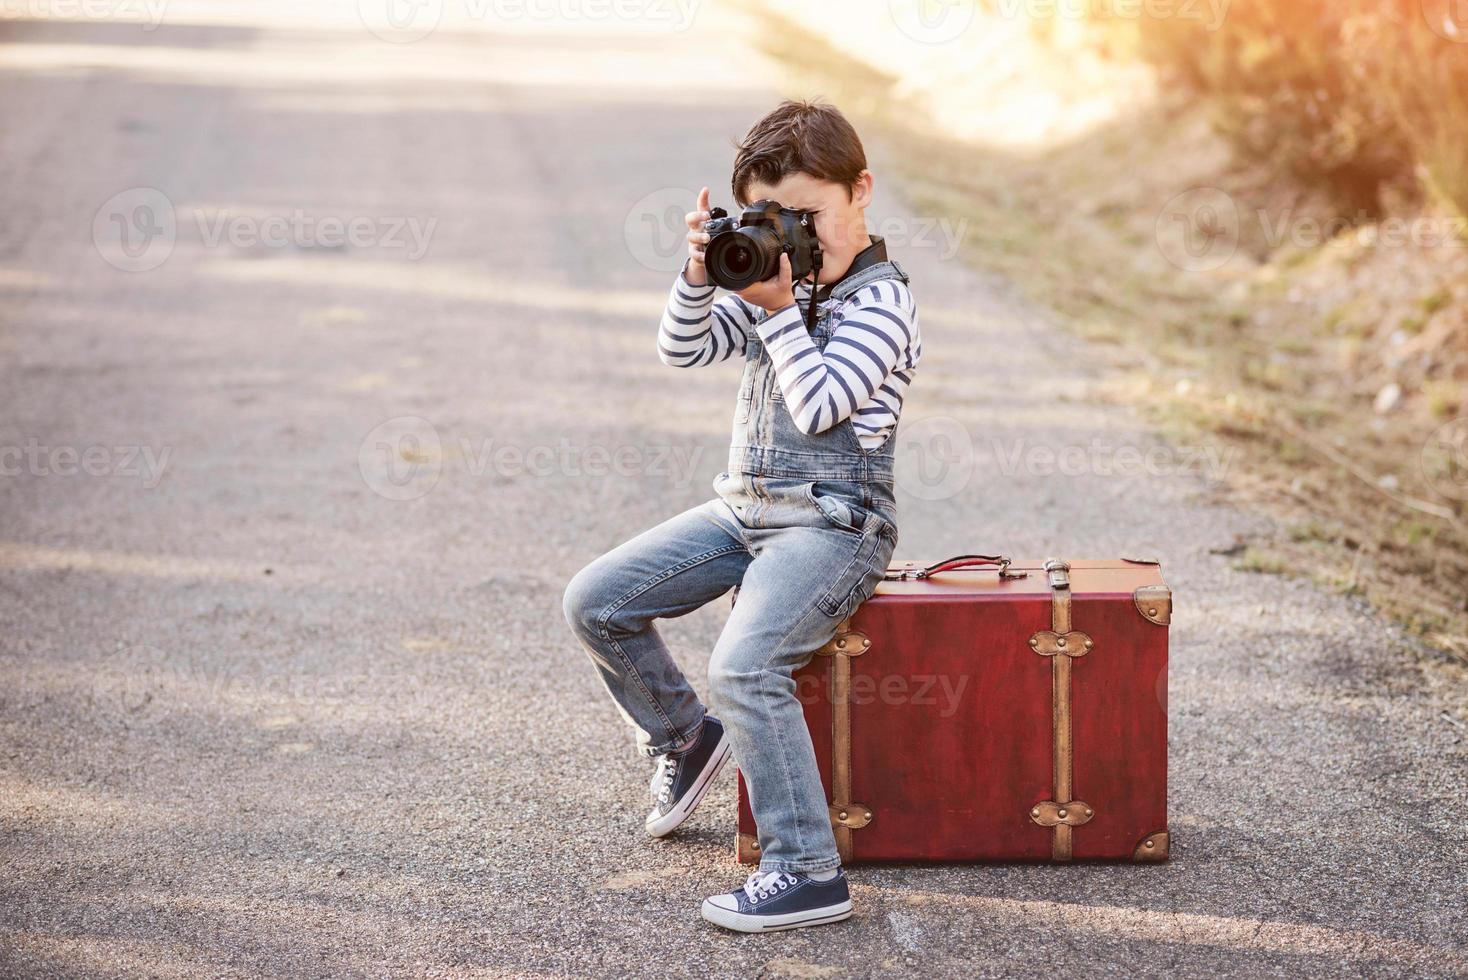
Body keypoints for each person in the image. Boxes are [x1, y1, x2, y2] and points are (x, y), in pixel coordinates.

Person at [562, 99, 921, 933]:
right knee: (596, 600)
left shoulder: (882, 303)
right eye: (772, 217)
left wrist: (776, 310)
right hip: (746, 511)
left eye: (809, 216)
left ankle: (806, 870)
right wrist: (699, 276)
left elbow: (825, 403)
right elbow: (680, 349)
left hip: (835, 525)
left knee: (746, 666)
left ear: (861, 191)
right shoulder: (769, 283)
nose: (792, 234)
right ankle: (685, 740)